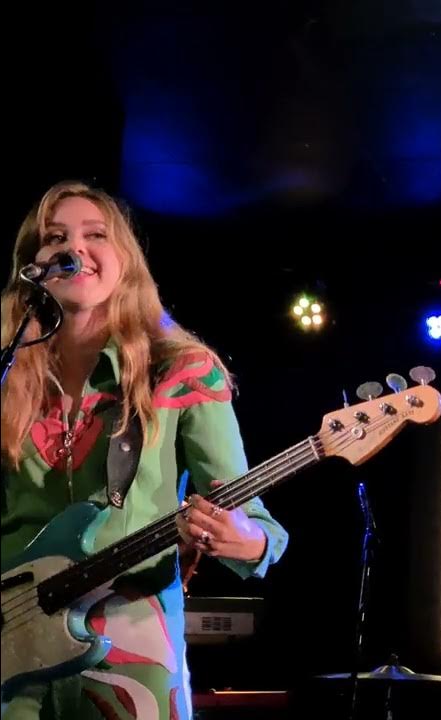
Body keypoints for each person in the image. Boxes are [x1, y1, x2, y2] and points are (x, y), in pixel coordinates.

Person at [1, 181, 288, 719]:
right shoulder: (8, 373)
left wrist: (243, 539)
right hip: (9, 643)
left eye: (95, 235)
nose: (74, 249)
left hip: (132, 647)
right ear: (31, 264)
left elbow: (257, 526)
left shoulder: (181, 371)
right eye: (56, 237)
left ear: (125, 259)